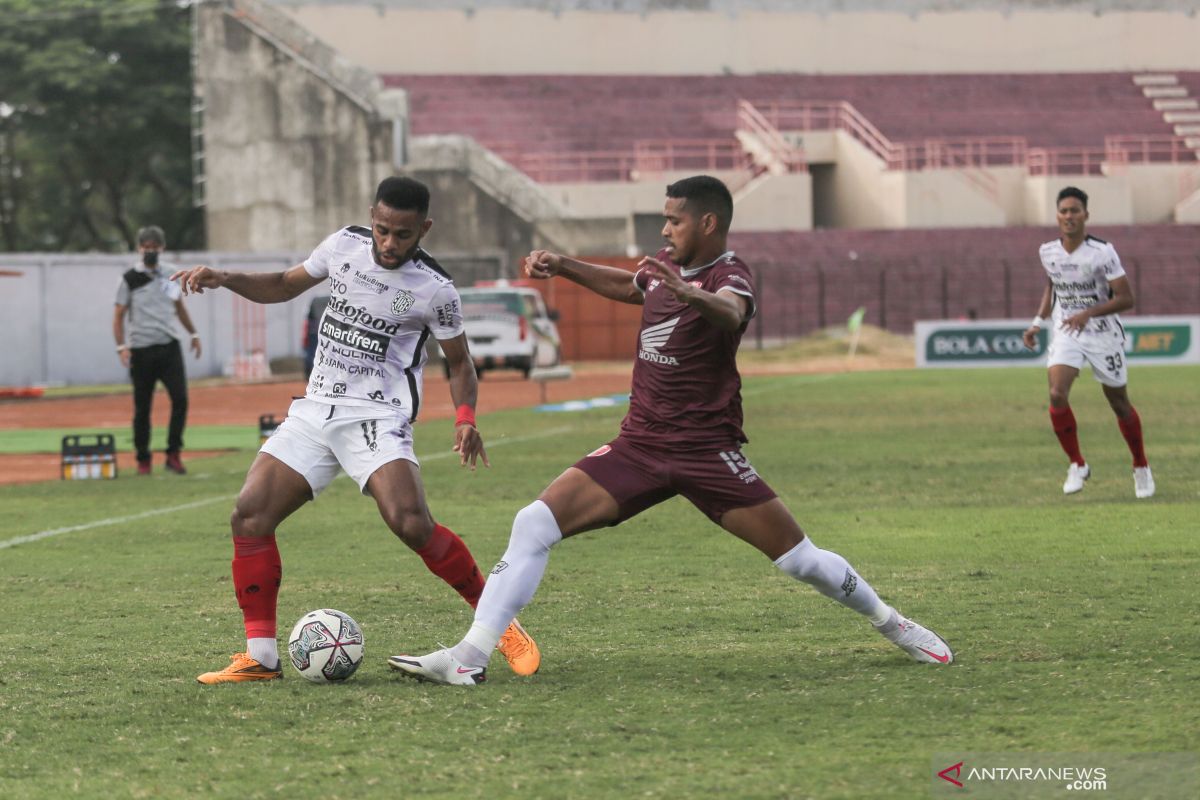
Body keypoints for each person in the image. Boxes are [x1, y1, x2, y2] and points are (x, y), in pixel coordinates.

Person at [389, 175, 953, 686]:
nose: (665, 228)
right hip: (639, 445)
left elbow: (731, 313)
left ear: (708, 223)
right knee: (533, 522)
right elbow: (630, 286)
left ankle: (894, 624)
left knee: (799, 560)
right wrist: (565, 265)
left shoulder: (730, 275)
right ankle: (471, 656)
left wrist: (692, 295)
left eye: (674, 219)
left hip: (707, 453)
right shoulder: (665, 266)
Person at [170, 176, 540, 683]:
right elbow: (282, 285)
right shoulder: (343, 245)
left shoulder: (436, 289)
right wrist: (224, 276)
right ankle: (261, 656)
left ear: (424, 229)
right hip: (316, 410)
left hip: (378, 416)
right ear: (371, 217)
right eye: (383, 229)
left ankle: (499, 624)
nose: (390, 243)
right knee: (250, 515)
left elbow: (460, 364)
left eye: (403, 234)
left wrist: (466, 419)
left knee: (411, 522)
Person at [1022, 186, 1154, 499]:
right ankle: (1077, 464)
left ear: (1086, 216)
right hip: (1067, 330)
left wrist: (1089, 313)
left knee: (1119, 403)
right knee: (1056, 393)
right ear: (1057, 216)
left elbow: (1126, 298)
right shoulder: (1048, 251)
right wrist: (1037, 323)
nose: (1069, 216)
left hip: (1103, 333)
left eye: (1075, 211)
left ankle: (1140, 466)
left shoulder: (1102, 252)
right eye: (1064, 211)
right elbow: (1053, 286)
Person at [113, 225, 201, 475]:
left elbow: (178, 307)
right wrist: (121, 346)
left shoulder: (169, 274)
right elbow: (118, 315)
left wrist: (193, 333)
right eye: (146, 247)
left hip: (169, 347)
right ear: (139, 248)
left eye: (155, 247)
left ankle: (173, 454)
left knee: (180, 400)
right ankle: (143, 458)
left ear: (162, 248)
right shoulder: (130, 278)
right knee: (142, 407)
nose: (150, 251)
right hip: (141, 349)